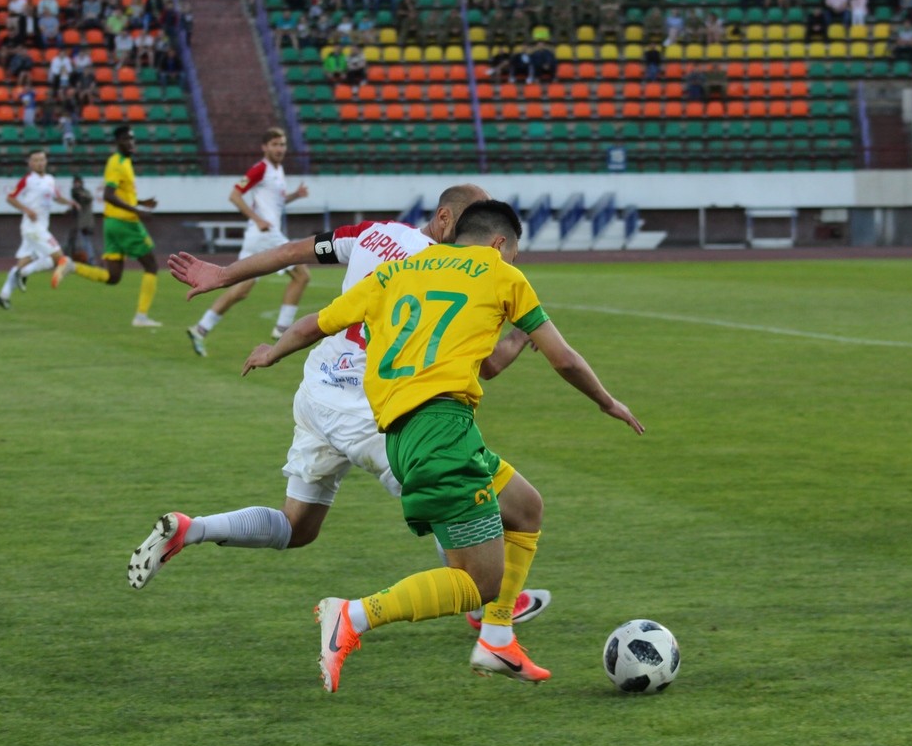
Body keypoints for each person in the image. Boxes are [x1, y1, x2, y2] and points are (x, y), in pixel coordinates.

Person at [130, 186, 556, 658]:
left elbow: (292, 252)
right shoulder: (450, 269)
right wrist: (522, 335)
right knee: (460, 499)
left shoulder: (373, 234)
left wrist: (224, 273)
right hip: (381, 413)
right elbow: (488, 365)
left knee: (297, 526)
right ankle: (487, 607)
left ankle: (192, 528)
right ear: (444, 219)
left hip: (318, 394)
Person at [236, 200, 644, 692]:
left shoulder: (399, 270)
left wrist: (272, 351)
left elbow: (313, 325)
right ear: (499, 243)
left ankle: (497, 639)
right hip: (441, 429)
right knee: (479, 583)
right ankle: (353, 615)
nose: (512, 262)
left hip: (401, 430)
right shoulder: (501, 274)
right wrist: (606, 401)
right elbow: (565, 359)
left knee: (525, 508)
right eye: (513, 253)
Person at [185, 129, 311, 356]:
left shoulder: (277, 170)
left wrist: (295, 195)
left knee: (241, 288)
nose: (280, 149)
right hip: (266, 234)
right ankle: (282, 329)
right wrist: (258, 219)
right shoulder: (260, 168)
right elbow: (234, 195)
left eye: (282, 144)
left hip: (259, 236)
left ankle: (200, 329)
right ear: (265, 147)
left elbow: (276, 202)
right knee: (302, 275)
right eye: (275, 144)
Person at [51, 125, 164, 327]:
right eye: (127, 139)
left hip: (112, 223)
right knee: (152, 266)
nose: (131, 143)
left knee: (113, 277)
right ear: (118, 142)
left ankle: (71, 266)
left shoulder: (124, 162)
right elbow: (108, 195)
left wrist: (141, 202)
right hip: (125, 223)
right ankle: (141, 317)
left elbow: (121, 194)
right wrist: (136, 210)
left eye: (132, 139)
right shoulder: (117, 163)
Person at [0, 149, 80, 310]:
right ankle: (23, 273)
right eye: (36, 160)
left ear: (46, 161)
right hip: (33, 227)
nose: (39, 163)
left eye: (42, 159)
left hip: (40, 227)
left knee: (23, 262)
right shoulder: (27, 180)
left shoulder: (50, 179)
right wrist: (27, 210)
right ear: (30, 163)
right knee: (58, 258)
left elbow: (56, 197)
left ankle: (4, 295)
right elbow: (10, 198)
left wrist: (70, 203)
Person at [67, 175, 97, 265]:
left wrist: (81, 194)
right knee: (79, 241)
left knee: (86, 241)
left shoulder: (85, 193)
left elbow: (89, 198)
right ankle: (85, 259)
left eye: (78, 183)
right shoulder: (75, 194)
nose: (76, 185)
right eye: (75, 183)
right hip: (78, 223)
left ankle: (90, 260)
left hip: (85, 223)